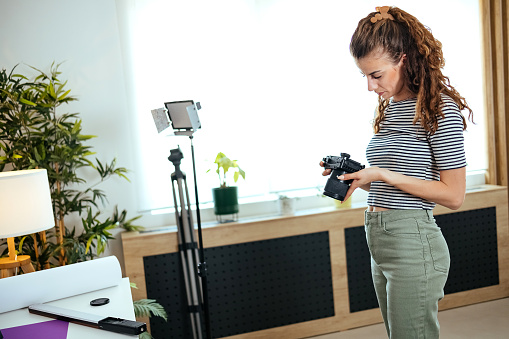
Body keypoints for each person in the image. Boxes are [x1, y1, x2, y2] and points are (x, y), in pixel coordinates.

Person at [320, 6, 474, 339]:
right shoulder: (390, 109)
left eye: (376, 75)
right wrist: (360, 179)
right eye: (364, 75)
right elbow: (396, 182)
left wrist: (384, 175)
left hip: (412, 241)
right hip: (380, 239)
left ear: (403, 59)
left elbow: (454, 195)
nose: (370, 85)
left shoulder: (438, 107)